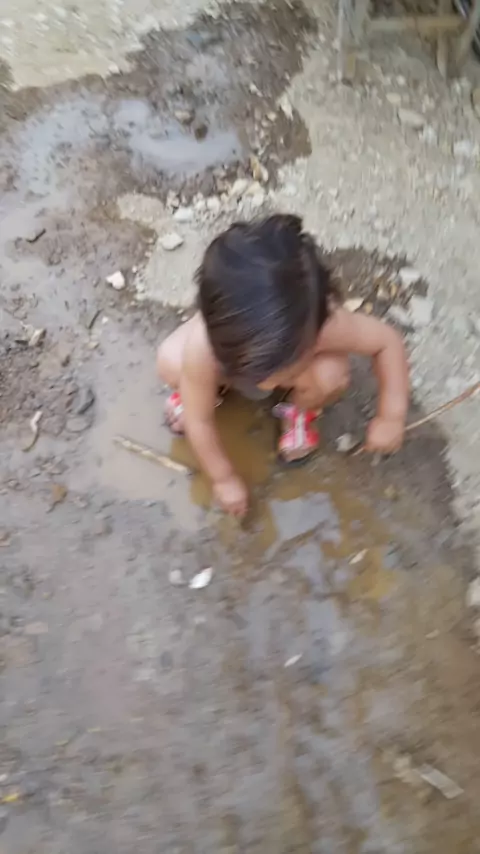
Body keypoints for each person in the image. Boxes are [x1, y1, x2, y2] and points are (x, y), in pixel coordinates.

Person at [157, 214, 409, 517]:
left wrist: (391, 417)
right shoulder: (205, 347)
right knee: (172, 362)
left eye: (284, 367)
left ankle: (299, 410)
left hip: (270, 368)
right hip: (218, 366)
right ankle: (201, 391)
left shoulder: (326, 326)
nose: (266, 385)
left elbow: (387, 342)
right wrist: (223, 479)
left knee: (331, 375)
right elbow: (199, 422)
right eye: (259, 373)